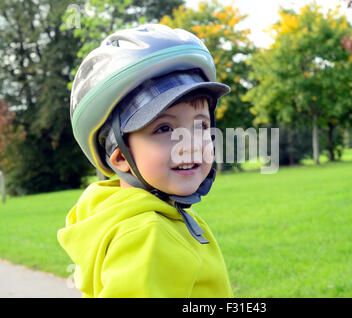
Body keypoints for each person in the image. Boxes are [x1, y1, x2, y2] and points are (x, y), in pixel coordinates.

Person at [57, 24, 233, 297]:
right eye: (164, 129)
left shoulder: (136, 217)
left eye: (200, 126)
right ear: (120, 157)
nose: (191, 144)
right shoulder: (146, 233)